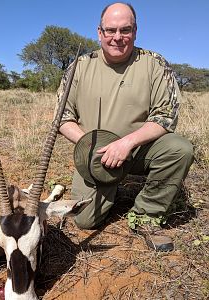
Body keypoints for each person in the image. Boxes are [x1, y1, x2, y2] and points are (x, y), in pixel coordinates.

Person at [55, 2, 194, 251]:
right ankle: (111, 189)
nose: (117, 37)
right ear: (100, 32)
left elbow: (166, 116)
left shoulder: (155, 64)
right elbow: (62, 118)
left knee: (179, 149)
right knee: (84, 221)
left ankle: (147, 216)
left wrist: (127, 143)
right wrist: (91, 146)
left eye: (125, 30)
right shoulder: (78, 67)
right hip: (95, 156)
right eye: (110, 30)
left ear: (135, 31)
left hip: (138, 150)